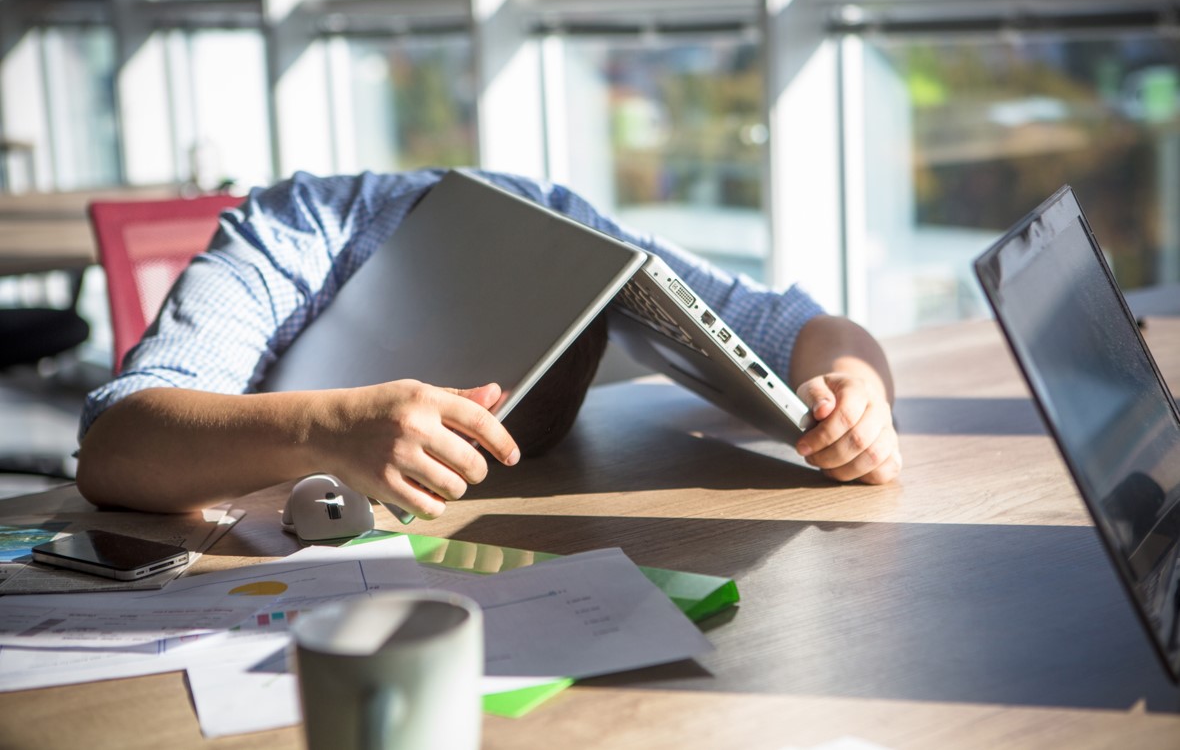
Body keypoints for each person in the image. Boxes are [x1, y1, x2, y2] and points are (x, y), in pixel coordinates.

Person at [75, 169, 901, 516]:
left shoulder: (566, 230)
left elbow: (803, 327)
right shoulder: (294, 231)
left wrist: (856, 389)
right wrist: (328, 428)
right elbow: (115, 446)